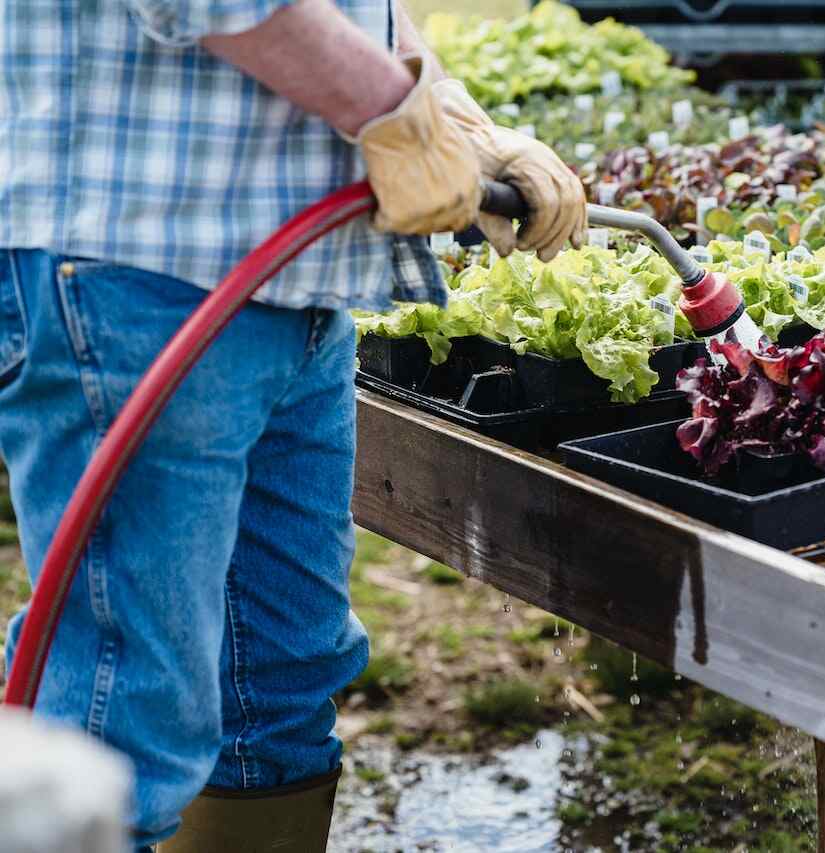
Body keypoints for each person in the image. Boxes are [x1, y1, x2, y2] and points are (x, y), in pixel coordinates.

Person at [0, 0, 587, 849]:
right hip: (137, 270)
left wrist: (454, 117)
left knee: (274, 684)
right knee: (120, 718)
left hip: (289, 280)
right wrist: (396, 114)